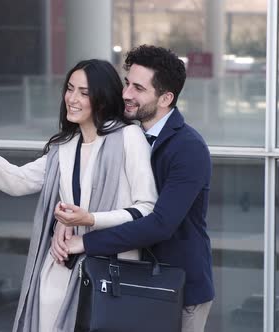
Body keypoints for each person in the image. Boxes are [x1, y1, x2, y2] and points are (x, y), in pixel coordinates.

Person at [0, 59, 157, 332]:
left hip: (111, 270)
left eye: (84, 92)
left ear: (102, 99)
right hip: (61, 265)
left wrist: (90, 219)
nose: (72, 98)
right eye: (70, 88)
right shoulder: (63, 147)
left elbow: (146, 208)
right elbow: (18, 182)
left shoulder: (128, 137)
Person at [55, 45, 214, 332]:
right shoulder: (121, 134)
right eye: (127, 83)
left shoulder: (189, 148)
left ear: (165, 98)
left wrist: (85, 243)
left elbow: (160, 224)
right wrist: (63, 221)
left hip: (177, 289)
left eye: (138, 88)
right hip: (126, 281)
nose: (126, 94)